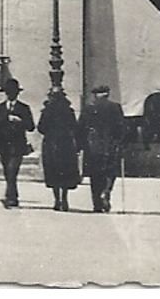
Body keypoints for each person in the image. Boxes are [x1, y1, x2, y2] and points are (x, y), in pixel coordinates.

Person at [0, 77, 35, 208]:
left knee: (12, 170)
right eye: (9, 92)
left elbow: (31, 126)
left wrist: (20, 121)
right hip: (3, 145)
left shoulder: (24, 108)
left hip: (18, 145)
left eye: (13, 92)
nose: (11, 94)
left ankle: (11, 198)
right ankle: (12, 196)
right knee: (7, 171)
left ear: (17, 93)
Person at [80, 84, 128, 213]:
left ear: (96, 95)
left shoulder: (88, 108)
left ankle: (96, 204)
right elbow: (121, 127)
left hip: (92, 146)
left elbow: (81, 128)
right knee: (110, 172)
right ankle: (106, 191)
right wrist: (121, 143)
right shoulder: (115, 107)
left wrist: (81, 145)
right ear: (107, 94)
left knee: (95, 175)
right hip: (110, 145)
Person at [37, 90, 81, 211]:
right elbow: (74, 126)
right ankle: (65, 198)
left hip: (51, 143)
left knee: (53, 170)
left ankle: (57, 199)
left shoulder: (47, 111)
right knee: (65, 171)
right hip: (65, 144)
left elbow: (41, 128)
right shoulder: (68, 110)